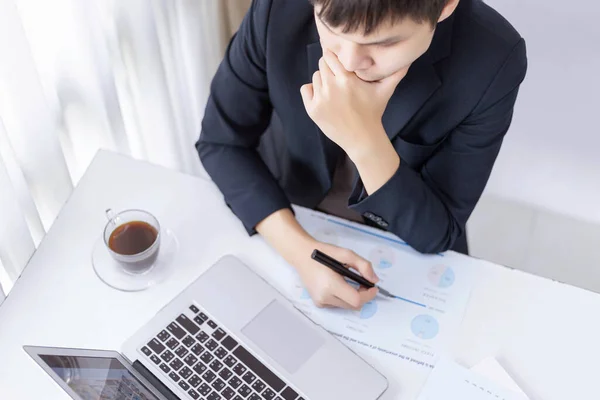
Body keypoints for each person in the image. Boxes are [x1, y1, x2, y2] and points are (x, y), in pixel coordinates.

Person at [196, 0, 527, 310]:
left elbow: (438, 231)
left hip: (406, 244)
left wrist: (365, 140)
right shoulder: (278, 7)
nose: (349, 62)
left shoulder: (493, 57)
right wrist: (300, 252)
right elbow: (221, 142)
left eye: (384, 43)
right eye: (331, 28)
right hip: (288, 206)